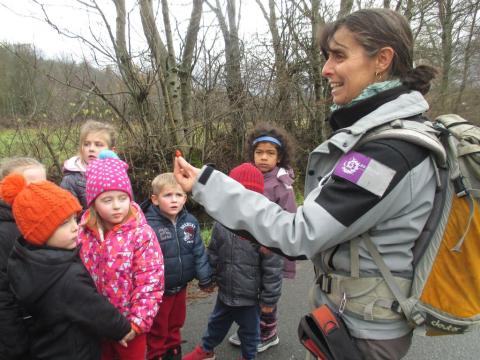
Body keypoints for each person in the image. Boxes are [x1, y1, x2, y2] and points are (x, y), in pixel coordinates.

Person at [174, 8, 438, 360]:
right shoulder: (391, 136)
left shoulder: (386, 153)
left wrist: (208, 185)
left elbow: (298, 234)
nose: (326, 69)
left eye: (339, 55)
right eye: (327, 56)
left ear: (383, 59)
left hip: (363, 333)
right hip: (354, 321)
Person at [0, 173, 134, 360]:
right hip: (75, 351)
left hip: (46, 347)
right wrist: (123, 329)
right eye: (64, 223)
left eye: (74, 218)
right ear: (40, 232)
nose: (75, 227)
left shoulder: (23, 258)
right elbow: (95, 308)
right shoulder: (65, 275)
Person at [183, 163, 283, 360]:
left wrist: (269, 300)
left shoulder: (263, 228)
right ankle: (206, 349)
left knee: (250, 331)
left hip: (249, 296)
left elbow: (273, 269)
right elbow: (213, 253)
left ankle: (248, 356)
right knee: (216, 322)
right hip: (226, 291)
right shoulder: (221, 223)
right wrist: (208, 279)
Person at [77, 150, 164, 360]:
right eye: (107, 200)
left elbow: (150, 282)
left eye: (122, 198)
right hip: (95, 323)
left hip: (129, 327)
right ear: (93, 203)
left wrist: (137, 323)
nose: (117, 205)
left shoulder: (141, 234)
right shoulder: (83, 232)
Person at [229, 123, 296, 352]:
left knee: (268, 292)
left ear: (279, 157)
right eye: (259, 152)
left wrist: (278, 245)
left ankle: (268, 333)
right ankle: (251, 329)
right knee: (252, 290)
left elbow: (289, 217)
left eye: (270, 153)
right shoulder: (250, 175)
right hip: (249, 248)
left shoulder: (282, 184)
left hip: (271, 249)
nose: (264, 158)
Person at [142, 172, 214, 360]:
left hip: (181, 287)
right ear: (155, 199)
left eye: (179, 195)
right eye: (168, 195)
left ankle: (174, 352)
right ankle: (156, 354)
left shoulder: (189, 222)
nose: (174, 200)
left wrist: (205, 278)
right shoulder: (147, 225)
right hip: (158, 291)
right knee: (158, 327)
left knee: (176, 323)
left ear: (185, 197)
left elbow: (198, 251)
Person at [0, 157, 46, 360]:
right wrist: (16, 345)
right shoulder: (7, 232)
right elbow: (3, 295)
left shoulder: (37, 220)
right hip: (20, 336)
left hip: (39, 328)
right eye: (31, 187)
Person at [60, 120, 117, 210]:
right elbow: (69, 216)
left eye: (98, 145)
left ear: (111, 151)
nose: (91, 149)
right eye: (86, 144)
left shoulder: (118, 174)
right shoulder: (71, 180)